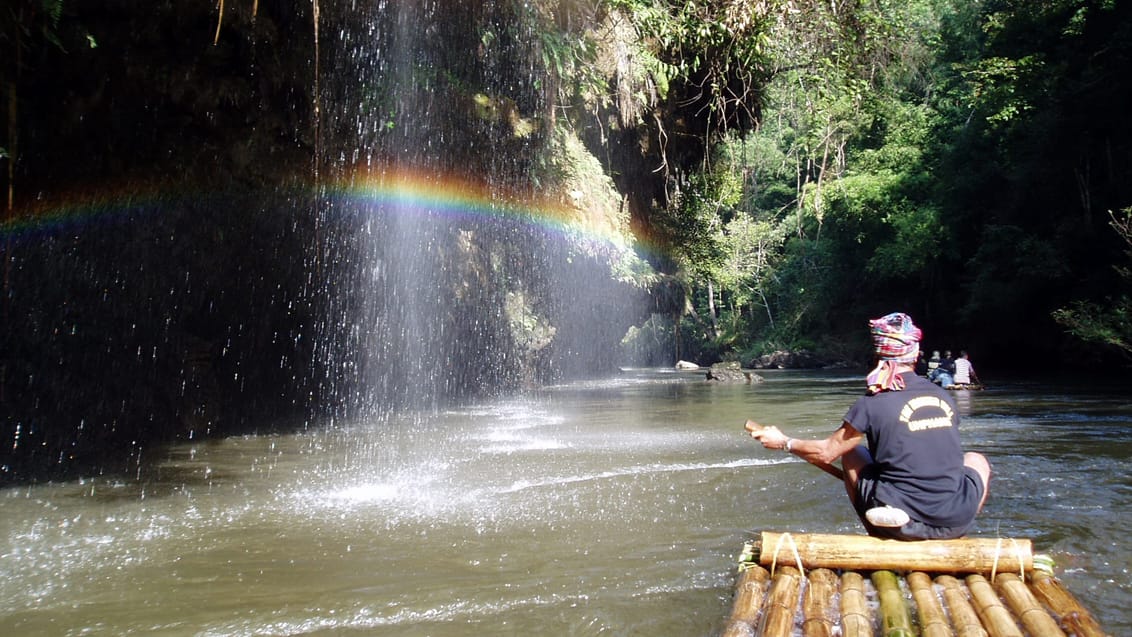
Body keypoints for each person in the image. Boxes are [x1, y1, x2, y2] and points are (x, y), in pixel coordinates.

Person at [745, 313, 991, 540]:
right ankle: (955, 520)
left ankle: (881, 532)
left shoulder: (872, 403)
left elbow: (827, 452)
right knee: (976, 459)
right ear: (915, 356)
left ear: (877, 357)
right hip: (956, 520)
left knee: (851, 452)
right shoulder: (943, 396)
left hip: (904, 523)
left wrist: (784, 442)